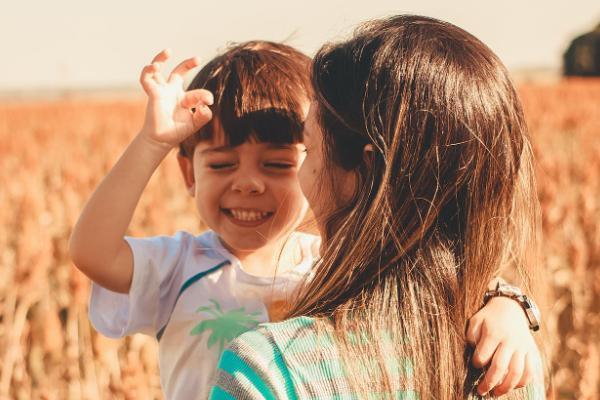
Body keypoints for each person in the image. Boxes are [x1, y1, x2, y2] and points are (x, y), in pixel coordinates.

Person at [210, 15, 545, 400]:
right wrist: (511, 299)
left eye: (310, 149)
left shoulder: (267, 371)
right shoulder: (510, 365)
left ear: (366, 173)